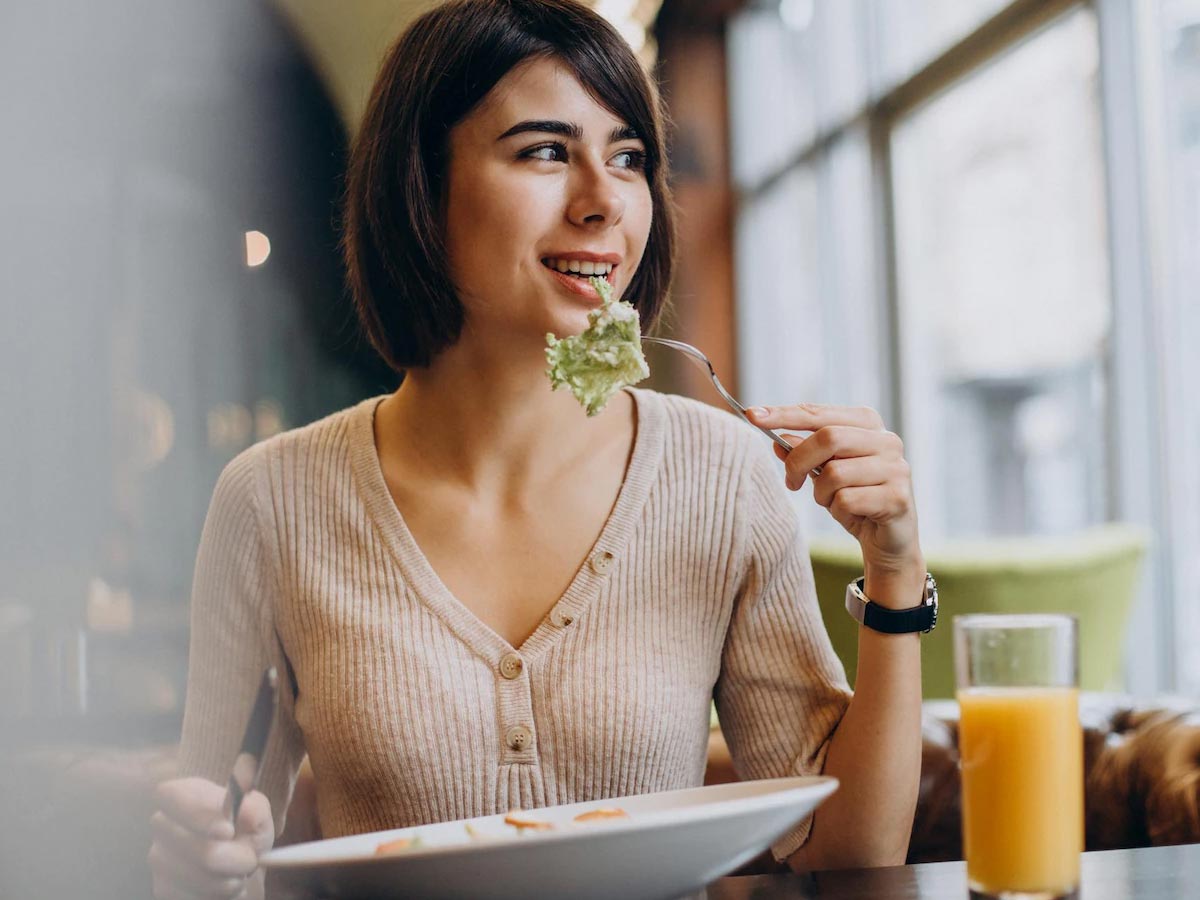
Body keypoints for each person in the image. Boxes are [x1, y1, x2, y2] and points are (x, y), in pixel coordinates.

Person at [148, 1, 928, 897]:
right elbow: (216, 846)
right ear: (422, 189)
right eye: (545, 150)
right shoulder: (272, 499)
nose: (604, 201)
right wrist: (203, 861)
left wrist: (897, 573)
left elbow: (845, 852)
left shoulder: (725, 474)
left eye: (628, 157)